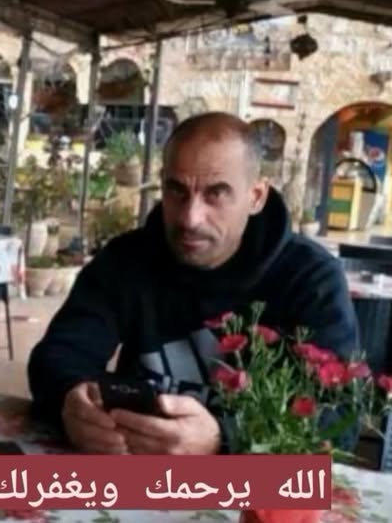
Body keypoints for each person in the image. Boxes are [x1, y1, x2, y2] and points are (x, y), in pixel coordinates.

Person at [28, 112, 359, 455]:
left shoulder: (310, 278)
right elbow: (59, 354)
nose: (190, 218)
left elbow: (339, 416)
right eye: (177, 191)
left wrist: (223, 439)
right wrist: (69, 399)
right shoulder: (127, 259)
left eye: (216, 194)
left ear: (256, 196)